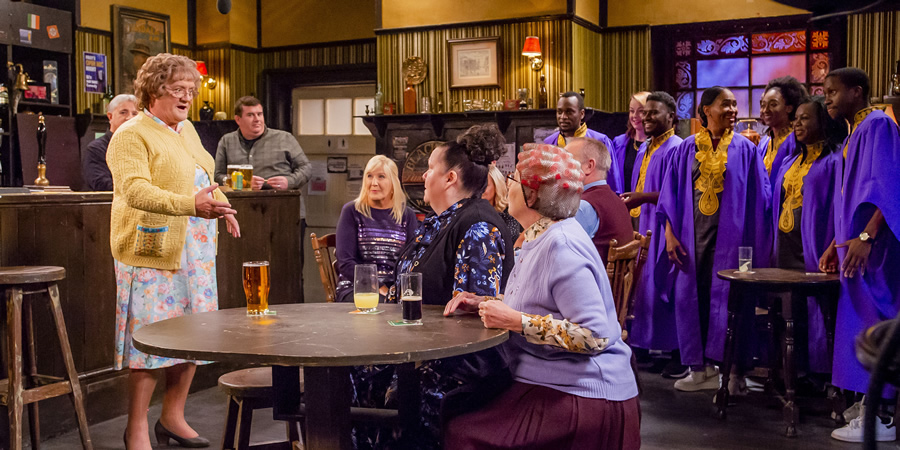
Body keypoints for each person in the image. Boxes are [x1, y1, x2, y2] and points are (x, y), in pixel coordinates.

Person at [444, 143, 640, 449]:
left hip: (586, 394)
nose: (506, 185)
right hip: (554, 381)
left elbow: (595, 335)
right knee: (454, 408)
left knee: (462, 432)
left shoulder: (561, 245)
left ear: (532, 195)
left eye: (513, 180)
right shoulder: (540, 236)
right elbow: (539, 303)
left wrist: (517, 321)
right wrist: (485, 303)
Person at [107, 53, 241, 450]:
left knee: (191, 338)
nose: (186, 96)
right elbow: (135, 190)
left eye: (190, 89)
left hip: (196, 252)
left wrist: (224, 208)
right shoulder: (131, 134)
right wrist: (191, 205)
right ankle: (135, 428)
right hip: (153, 253)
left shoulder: (186, 131)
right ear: (153, 91)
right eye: (177, 89)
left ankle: (173, 416)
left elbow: (204, 179)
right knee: (149, 343)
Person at [382, 124, 514, 448]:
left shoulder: (477, 226)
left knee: (359, 382)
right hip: (419, 351)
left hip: (460, 369)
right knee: (346, 376)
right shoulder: (445, 219)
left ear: (450, 178)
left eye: (429, 169)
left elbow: (475, 324)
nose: (423, 177)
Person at [657, 86, 771, 392]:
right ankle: (700, 369)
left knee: (736, 302)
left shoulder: (746, 150)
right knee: (691, 300)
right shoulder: (687, 149)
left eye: (734, 105)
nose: (733, 110)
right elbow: (669, 195)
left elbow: (761, 200)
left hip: (737, 243)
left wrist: (755, 248)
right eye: (726, 104)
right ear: (706, 110)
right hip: (692, 241)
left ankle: (734, 372)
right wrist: (669, 235)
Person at [820, 67, 900, 443]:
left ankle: (881, 416)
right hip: (854, 246)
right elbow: (848, 198)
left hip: (875, 248)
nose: (827, 98)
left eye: (833, 91)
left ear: (857, 91)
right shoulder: (855, 131)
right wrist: (835, 243)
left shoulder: (879, 124)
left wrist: (866, 235)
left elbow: (889, 186)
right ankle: (866, 401)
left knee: (875, 319)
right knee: (856, 321)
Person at [770, 96, 844, 378]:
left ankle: (821, 374)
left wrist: (833, 245)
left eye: (804, 118)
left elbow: (842, 209)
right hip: (785, 246)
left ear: (822, 121)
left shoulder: (835, 161)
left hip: (814, 245)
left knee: (818, 310)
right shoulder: (790, 160)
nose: (797, 123)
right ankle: (792, 371)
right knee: (790, 310)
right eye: (796, 118)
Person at [622, 91, 685, 376]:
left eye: (653, 112)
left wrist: (644, 197)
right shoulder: (646, 147)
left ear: (671, 117)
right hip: (643, 224)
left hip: (667, 225)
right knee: (642, 287)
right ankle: (647, 346)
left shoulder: (677, 147)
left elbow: (679, 193)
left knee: (665, 286)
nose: (646, 117)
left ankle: (675, 351)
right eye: (643, 113)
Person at [334, 155, 418, 303]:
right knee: (381, 303)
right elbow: (346, 263)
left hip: (395, 288)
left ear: (393, 183)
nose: (374, 183)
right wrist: (378, 287)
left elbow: (412, 260)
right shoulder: (352, 211)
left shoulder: (407, 215)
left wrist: (394, 289)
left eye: (381, 177)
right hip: (355, 287)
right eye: (369, 176)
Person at [565, 137, 633, 265]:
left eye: (567, 162)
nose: (561, 170)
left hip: (592, 284)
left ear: (589, 166)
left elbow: (561, 255)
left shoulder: (584, 206)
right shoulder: (615, 199)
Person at [544, 92, 623, 193]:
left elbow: (613, 182)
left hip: (592, 202)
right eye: (559, 112)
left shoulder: (600, 141)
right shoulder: (549, 142)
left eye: (569, 112)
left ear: (582, 114)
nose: (563, 116)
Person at [83, 94, 139, 191]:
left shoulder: (142, 146)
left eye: (134, 114)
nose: (130, 118)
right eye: (123, 112)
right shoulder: (96, 148)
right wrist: (137, 190)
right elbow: (101, 184)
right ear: (110, 116)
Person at [758, 76, 808, 185]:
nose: (765, 110)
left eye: (773, 104)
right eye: (763, 105)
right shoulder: (764, 143)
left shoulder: (796, 141)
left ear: (789, 108)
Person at [612, 91, 651, 198]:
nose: (634, 116)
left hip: (647, 208)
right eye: (631, 111)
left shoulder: (658, 146)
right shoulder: (619, 143)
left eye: (641, 111)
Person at [482, 163, 522, 242]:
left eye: (485, 185)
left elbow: (510, 237)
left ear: (497, 185)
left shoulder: (509, 211)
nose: (480, 189)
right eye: (478, 184)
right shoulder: (472, 210)